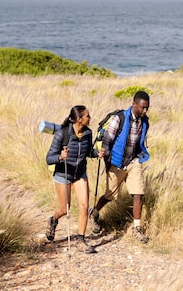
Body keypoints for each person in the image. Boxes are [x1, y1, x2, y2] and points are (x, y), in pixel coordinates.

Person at [88, 91, 151, 244]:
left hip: (133, 162)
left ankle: (137, 228)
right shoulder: (119, 118)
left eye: (147, 108)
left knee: (138, 194)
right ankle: (94, 213)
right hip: (116, 162)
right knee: (110, 195)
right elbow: (107, 140)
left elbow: (140, 141)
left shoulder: (144, 121)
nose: (145, 111)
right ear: (134, 104)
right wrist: (108, 162)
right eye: (142, 107)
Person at [45, 105, 96, 252]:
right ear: (79, 119)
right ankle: (53, 220)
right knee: (65, 208)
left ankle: (81, 239)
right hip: (63, 173)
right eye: (87, 116)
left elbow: (88, 152)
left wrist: (96, 153)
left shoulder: (88, 133)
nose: (90, 118)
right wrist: (60, 157)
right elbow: (49, 158)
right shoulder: (62, 134)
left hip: (80, 174)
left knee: (84, 206)